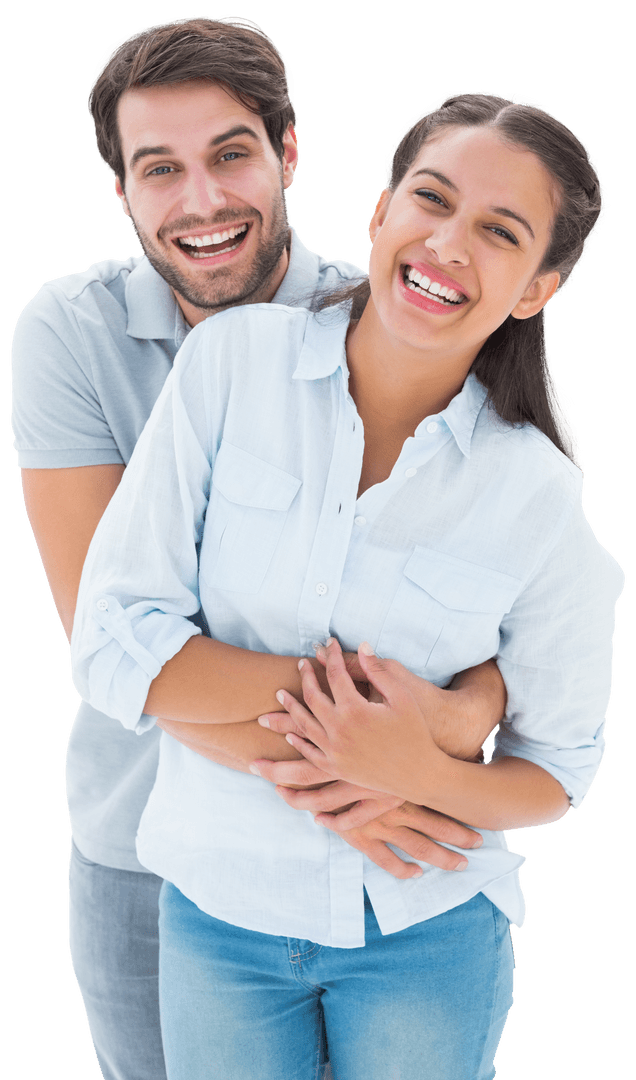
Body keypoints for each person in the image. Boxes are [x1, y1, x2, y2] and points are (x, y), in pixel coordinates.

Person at [69, 90, 623, 1079]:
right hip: (217, 916)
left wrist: (426, 774)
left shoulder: (538, 494)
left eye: (499, 231)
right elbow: (115, 639)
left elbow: (559, 767)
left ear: (536, 289)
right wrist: (402, 727)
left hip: (423, 933)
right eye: (431, 198)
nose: (447, 243)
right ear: (380, 213)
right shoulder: (231, 366)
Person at [10, 18, 503, 1080]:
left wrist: (460, 717)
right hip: (152, 854)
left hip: (373, 870)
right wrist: (380, 765)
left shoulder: (393, 328)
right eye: (160, 169)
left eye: (230, 153)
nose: (202, 201)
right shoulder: (72, 335)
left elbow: (490, 621)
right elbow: (114, 645)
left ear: (287, 152)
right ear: (121, 192)